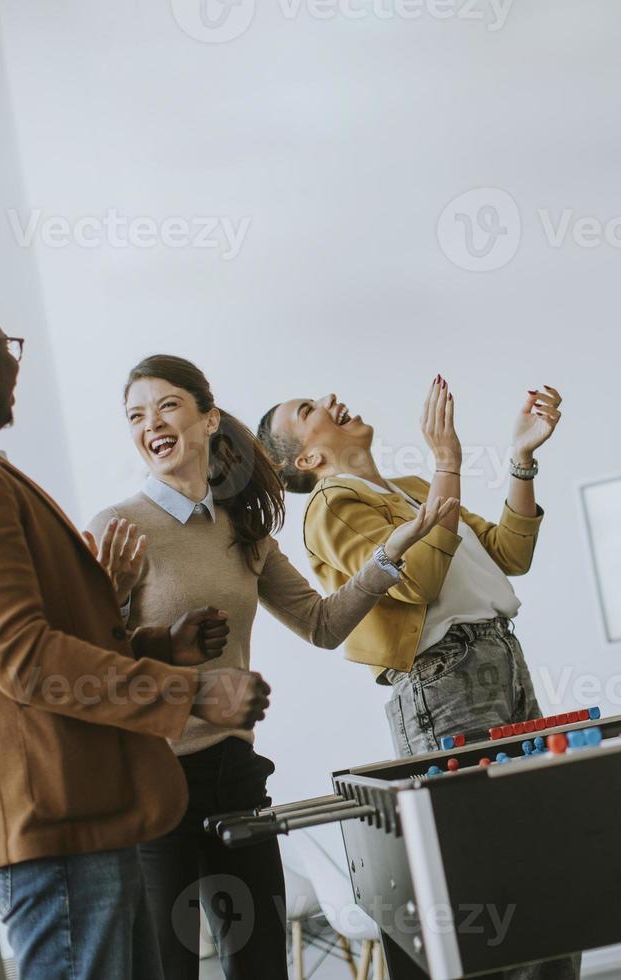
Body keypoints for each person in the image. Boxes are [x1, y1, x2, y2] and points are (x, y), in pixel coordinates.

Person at [0, 280, 271, 980]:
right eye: (8, 347)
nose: (15, 366)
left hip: (72, 815)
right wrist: (192, 694)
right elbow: (23, 659)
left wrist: (156, 646)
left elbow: (22, 642)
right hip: (49, 822)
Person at [87, 355, 455, 980]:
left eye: (168, 406)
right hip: (152, 781)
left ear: (208, 419)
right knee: (168, 970)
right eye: (136, 416)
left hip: (234, 774)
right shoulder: (117, 527)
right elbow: (95, 662)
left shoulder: (243, 530)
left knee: (260, 968)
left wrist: (392, 550)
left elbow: (322, 622)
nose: (152, 423)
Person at [258, 378, 577, 980]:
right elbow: (417, 582)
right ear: (307, 459)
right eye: (307, 410)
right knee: (485, 875)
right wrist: (448, 463)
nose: (328, 399)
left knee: (540, 855)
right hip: (444, 681)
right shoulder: (330, 505)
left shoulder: (409, 490)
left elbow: (512, 551)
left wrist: (522, 458)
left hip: (500, 659)